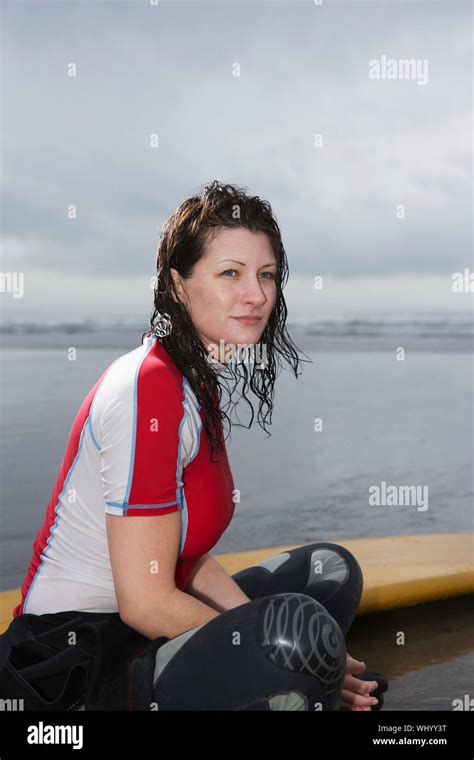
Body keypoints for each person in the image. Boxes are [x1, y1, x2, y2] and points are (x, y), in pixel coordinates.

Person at [0, 180, 387, 711]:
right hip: (80, 657)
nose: (256, 294)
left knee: (330, 573)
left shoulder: (194, 380)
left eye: (266, 275)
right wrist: (266, 650)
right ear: (179, 285)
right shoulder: (148, 388)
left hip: (143, 626)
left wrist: (267, 642)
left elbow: (185, 556)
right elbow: (145, 602)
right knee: (299, 640)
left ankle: (284, 686)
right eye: (230, 273)